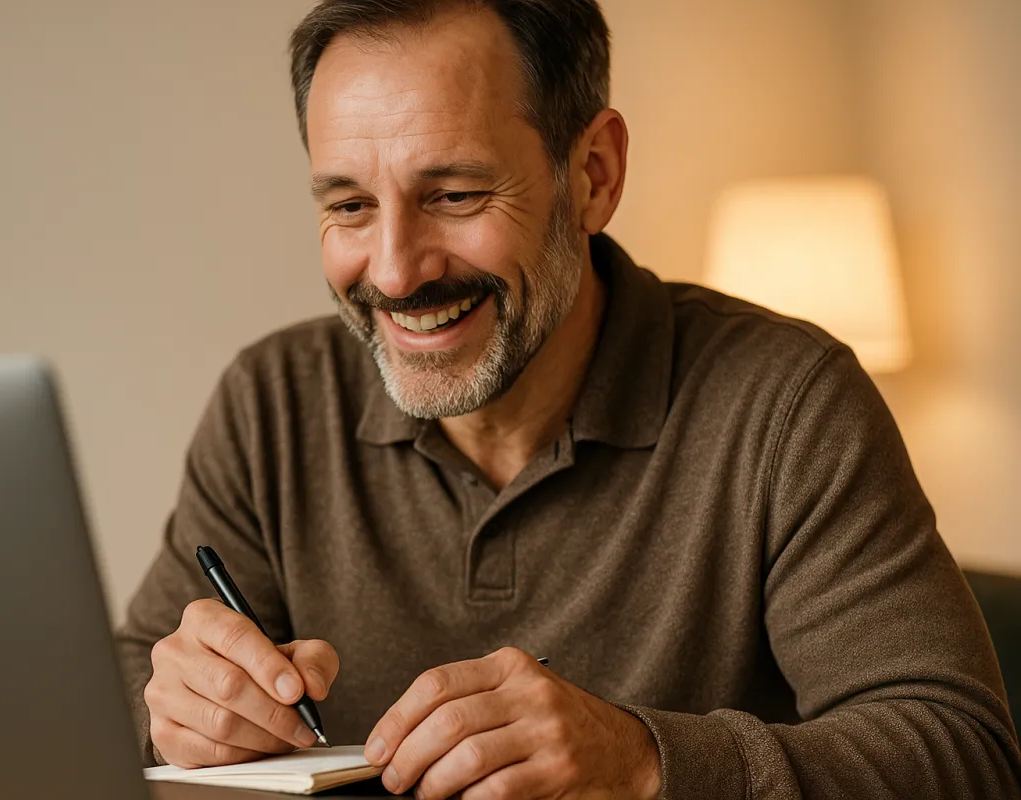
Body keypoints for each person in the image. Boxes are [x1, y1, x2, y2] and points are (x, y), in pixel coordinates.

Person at [116, 1, 1021, 797]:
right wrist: (170, 711)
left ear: (593, 174)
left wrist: (644, 764)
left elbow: (962, 756)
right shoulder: (269, 403)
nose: (394, 269)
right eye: (349, 207)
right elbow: (117, 681)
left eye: (457, 194)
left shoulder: (786, 404)